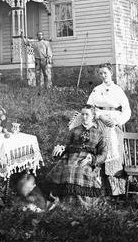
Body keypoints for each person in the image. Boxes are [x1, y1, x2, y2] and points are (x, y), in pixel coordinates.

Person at [47, 105, 107, 207]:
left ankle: (82, 203)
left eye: (87, 114)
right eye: (82, 114)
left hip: (87, 159)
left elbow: (103, 154)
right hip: (71, 157)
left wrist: (92, 159)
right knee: (69, 168)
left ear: (93, 116)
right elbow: (65, 144)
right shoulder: (74, 130)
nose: (84, 117)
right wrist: (61, 148)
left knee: (80, 170)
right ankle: (65, 202)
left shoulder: (99, 133)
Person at [87, 63, 131, 197]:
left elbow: (127, 110)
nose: (103, 76)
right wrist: (99, 115)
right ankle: (99, 188)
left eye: (105, 73)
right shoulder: (96, 89)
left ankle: (116, 190)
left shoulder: (117, 90)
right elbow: (89, 106)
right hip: (99, 120)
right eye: (100, 73)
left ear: (111, 73)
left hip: (114, 122)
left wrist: (116, 121)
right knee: (98, 148)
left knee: (114, 152)